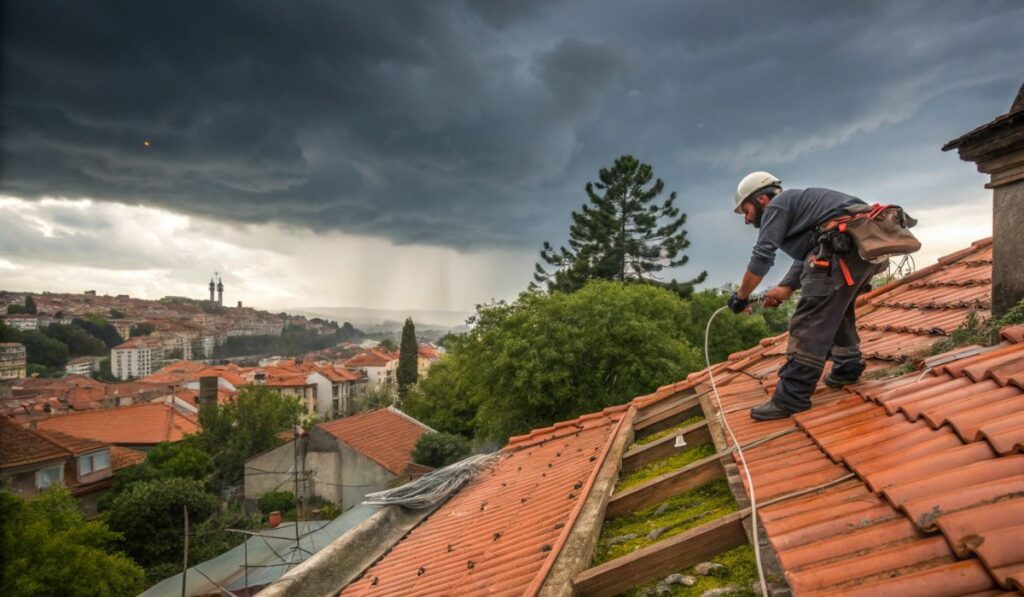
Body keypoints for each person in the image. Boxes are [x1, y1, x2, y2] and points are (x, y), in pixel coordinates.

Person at [726, 172, 885, 421]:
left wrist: (741, 297)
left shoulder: (776, 207)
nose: (746, 220)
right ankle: (847, 367)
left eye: (745, 210)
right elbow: (812, 253)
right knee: (836, 309)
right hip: (861, 252)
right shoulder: (798, 205)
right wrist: (786, 287)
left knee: (808, 321)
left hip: (841, 249)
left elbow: (762, 256)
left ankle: (792, 396)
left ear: (761, 200)